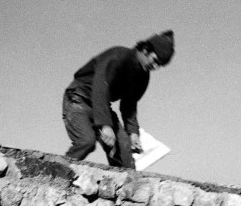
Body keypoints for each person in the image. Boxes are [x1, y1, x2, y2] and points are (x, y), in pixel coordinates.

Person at [62, 30, 175, 169]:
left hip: (101, 106)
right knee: (86, 141)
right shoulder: (117, 56)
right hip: (78, 99)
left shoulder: (143, 76)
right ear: (145, 50)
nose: (156, 67)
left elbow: (130, 104)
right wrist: (105, 125)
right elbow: (100, 89)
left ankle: (128, 187)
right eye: (156, 61)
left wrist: (133, 133)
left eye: (160, 65)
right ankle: (56, 174)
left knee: (124, 147)